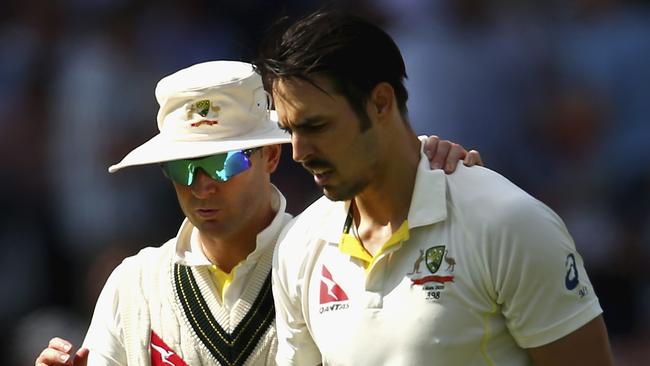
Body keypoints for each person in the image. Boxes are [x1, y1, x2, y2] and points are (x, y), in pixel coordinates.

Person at [35, 60, 480, 366]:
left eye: (225, 162)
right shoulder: (135, 283)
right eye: (181, 167)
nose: (202, 185)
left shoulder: (333, 258)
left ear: (271, 156)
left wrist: (434, 170)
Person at [255, 9, 614, 366]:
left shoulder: (509, 223)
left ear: (381, 103)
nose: (299, 152)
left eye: (316, 126)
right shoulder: (299, 245)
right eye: (290, 131)